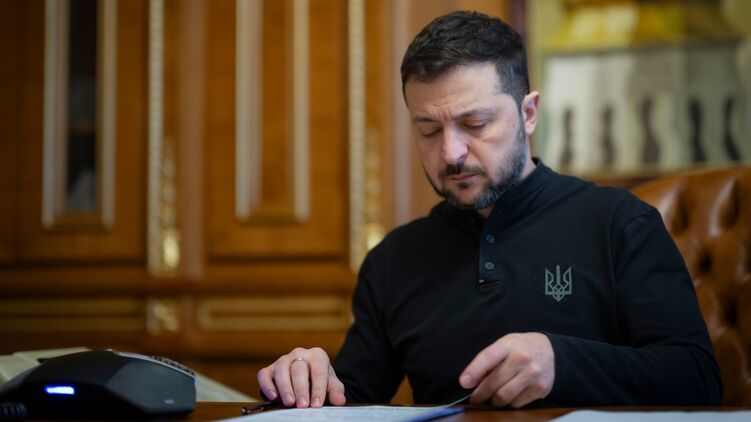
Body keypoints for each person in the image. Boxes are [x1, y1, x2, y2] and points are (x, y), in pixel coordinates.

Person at [257, 10, 722, 408]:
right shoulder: (392, 260)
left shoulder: (619, 224)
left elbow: (698, 378)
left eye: (475, 123)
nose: (451, 152)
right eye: (428, 130)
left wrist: (562, 363)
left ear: (529, 114)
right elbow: (351, 401)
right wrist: (307, 381)